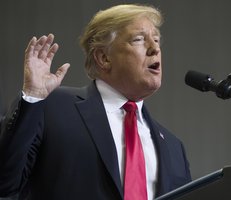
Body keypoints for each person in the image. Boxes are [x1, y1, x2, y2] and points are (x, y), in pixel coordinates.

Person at [0, 4, 191, 200]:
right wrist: (33, 96)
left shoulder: (174, 148)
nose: (155, 48)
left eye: (157, 39)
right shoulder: (51, 107)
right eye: (139, 39)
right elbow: (5, 183)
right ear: (103, 57)